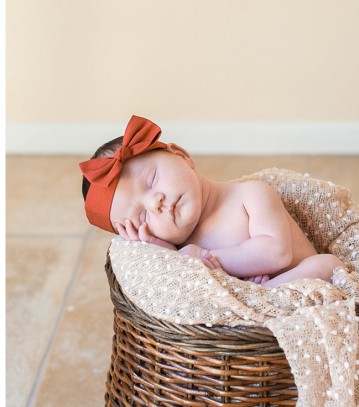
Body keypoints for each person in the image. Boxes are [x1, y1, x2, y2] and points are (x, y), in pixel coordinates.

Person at [80, 115, 345, 288]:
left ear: (182, 156)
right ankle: (255, 302)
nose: (155, 203)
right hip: (243, 330)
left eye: (151, 181)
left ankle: (262, 295)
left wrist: (205, 258)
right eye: (143, 218)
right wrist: (164, 251)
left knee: (327, 265)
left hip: (301, 282)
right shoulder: (183, 248)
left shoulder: (250, 195)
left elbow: (277, 253)